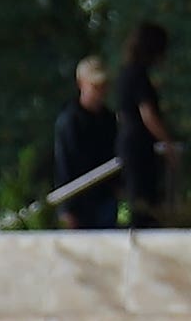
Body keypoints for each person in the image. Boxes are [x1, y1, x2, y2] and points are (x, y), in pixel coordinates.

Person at [43, 56, 129, 230]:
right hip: (78, 201)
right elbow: (64, 165)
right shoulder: (70, 120)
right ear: (81, 83)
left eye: (103, 85)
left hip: (105, 198)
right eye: (95, 85)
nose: (101, 90)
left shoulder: (108, 118)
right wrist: (66, 209)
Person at [117, 19, 185, 229]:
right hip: (139, 146)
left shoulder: (125, 74)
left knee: (140, 200)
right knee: (145, 204)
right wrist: (168, 143)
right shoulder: (139, 76)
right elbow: (148, 116)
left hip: (128, 141)